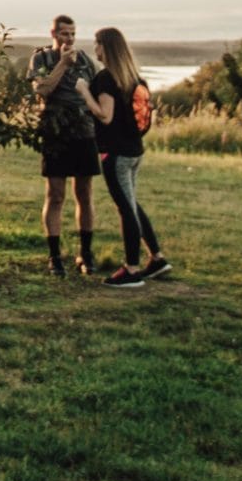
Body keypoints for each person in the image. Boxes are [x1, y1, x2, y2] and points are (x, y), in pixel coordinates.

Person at [86, 25, 169, 286]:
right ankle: (157, 258)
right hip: (135, 151)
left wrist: (82, 91)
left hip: (117, 154)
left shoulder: (106, 79)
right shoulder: (135, 78)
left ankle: (131, 270)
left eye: (97, 44)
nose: (95, 49)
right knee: (132, 204)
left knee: (126, 209)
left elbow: (104, 115)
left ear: (106, 47)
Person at [28, 14, 99, 277]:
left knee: (85, 193)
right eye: (64, 34)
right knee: (56, 194)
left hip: (84, 131)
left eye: (72, 34)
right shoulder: (42, 58)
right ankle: (54, 256)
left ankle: (86, 252)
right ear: (53, 34)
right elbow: (42, 90)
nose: (68, 38)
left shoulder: (86, 61)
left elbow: (96, 93)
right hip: (55, 132)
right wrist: (62, 64)